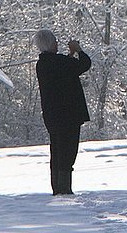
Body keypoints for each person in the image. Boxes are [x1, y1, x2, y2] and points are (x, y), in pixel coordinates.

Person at [33, 29, 91, 196]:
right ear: (50, 44)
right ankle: (64, 189)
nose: (57, 43)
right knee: (68, 151)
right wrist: (78, 50)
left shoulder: (43, 63)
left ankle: (57, 187)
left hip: (52, 115)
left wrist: (70, 55)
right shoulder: (58, 62)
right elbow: (84, 64)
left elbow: (65, 70)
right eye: (55, 41)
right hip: (69, 115)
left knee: (57, 151)